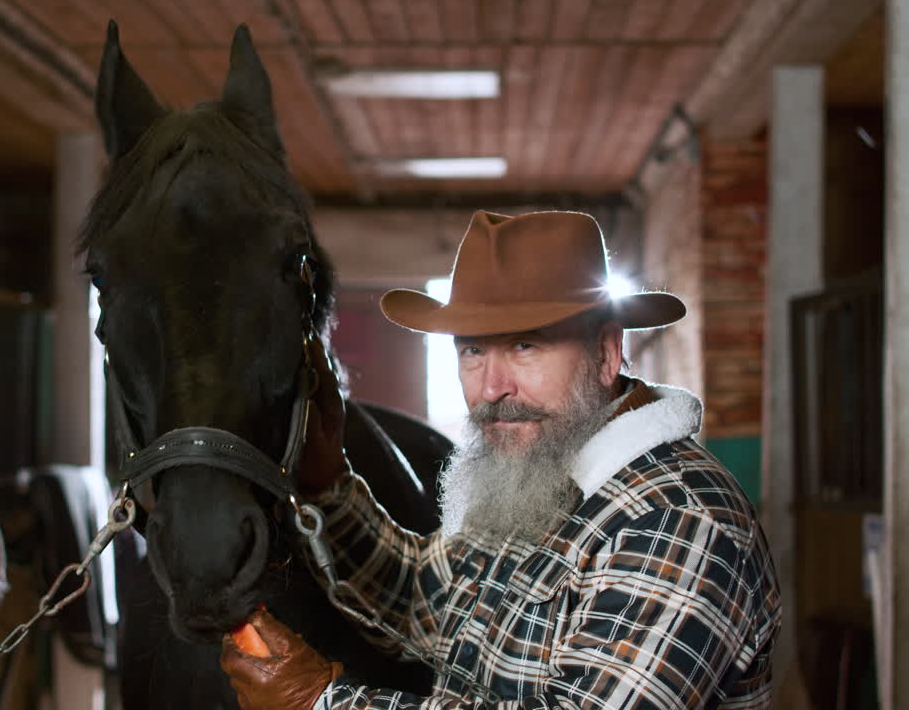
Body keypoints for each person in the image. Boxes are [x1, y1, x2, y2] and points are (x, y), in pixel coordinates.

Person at [220, 210, 781, 709]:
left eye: (525, 346)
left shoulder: (677, 518)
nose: (492, 388)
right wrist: (329, 487)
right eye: (472, 351)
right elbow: (423, 597)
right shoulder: (535, 477)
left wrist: (320, 702)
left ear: (607, 352)